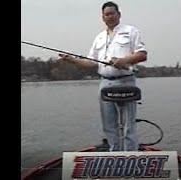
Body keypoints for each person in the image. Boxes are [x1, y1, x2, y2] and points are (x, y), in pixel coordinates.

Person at [59, 1, 147, 151]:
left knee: (128, 125)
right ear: (102, 17)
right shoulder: (99, 37)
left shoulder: (131, 31)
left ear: (119, 14)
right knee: (109, 125)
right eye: (107, 14)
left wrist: (123, 60)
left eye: (112, 13)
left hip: (126, 81)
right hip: (105, 84)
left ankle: (131, 155)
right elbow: (90, 63)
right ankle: (114, 154)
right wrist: (71, 60)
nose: (110, 16)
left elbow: (142, 54)